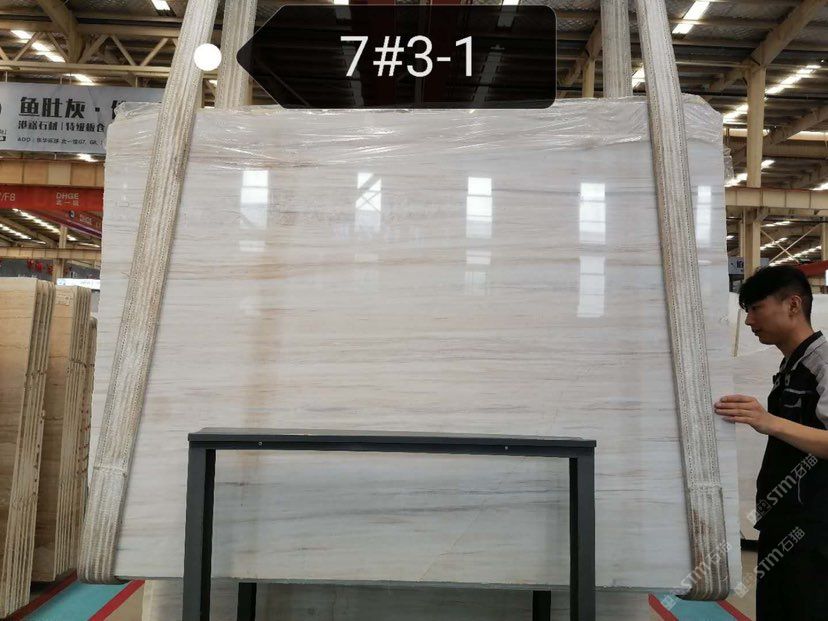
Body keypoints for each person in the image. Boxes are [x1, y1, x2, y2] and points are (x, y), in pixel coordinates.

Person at [715, 265, 828, 620]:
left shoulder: (822, 363)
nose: (749, 321)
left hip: (815, 530)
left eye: (756, 308)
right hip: (782, 521)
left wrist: (768, 421)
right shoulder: (792, 366)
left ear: (793, 305)